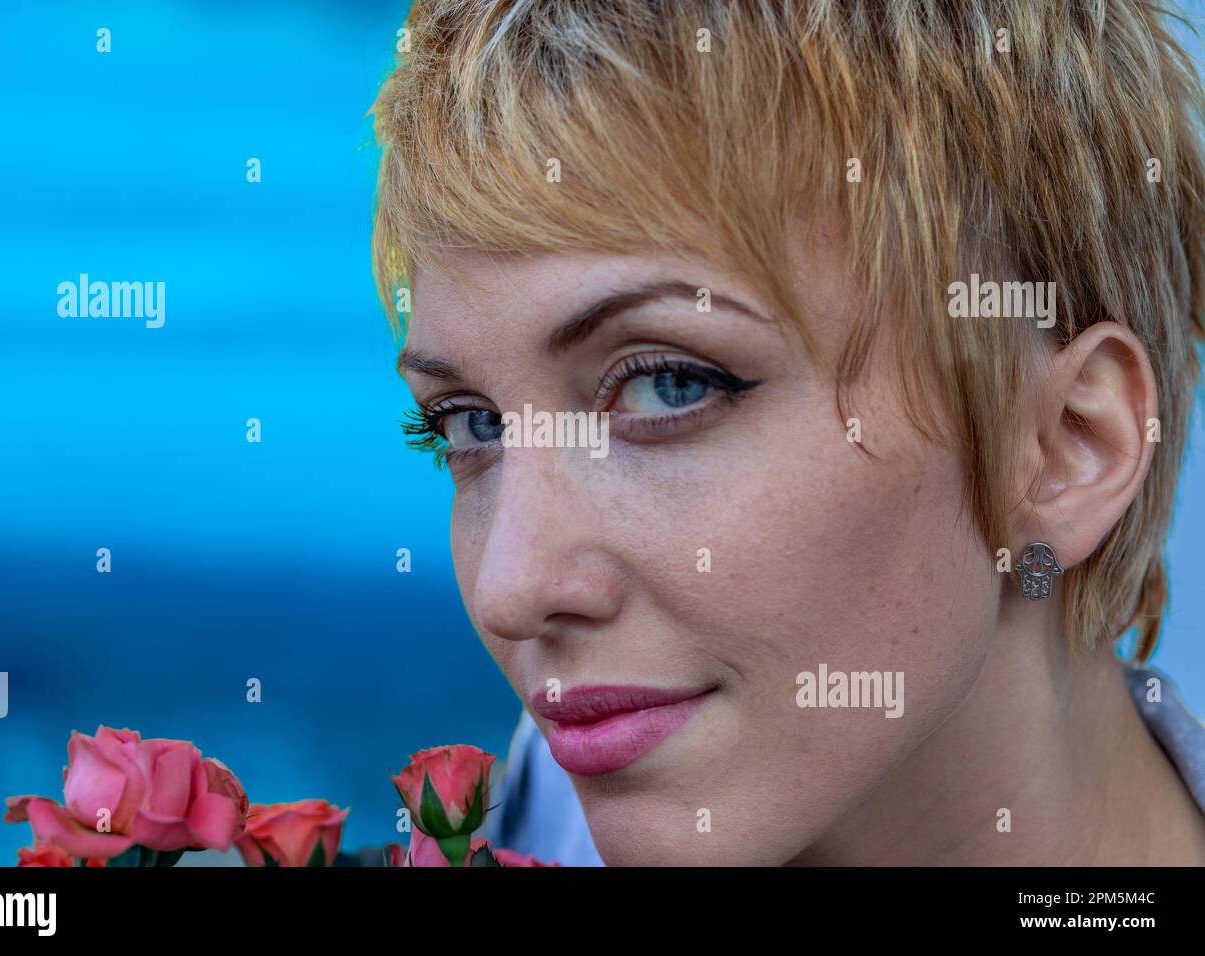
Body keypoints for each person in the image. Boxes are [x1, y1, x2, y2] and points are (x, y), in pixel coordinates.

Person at [372, 0, 1205, 865]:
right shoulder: (544, 800)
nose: (510, 589)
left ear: (1069, 445)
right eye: (472, 424)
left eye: (669, 384)